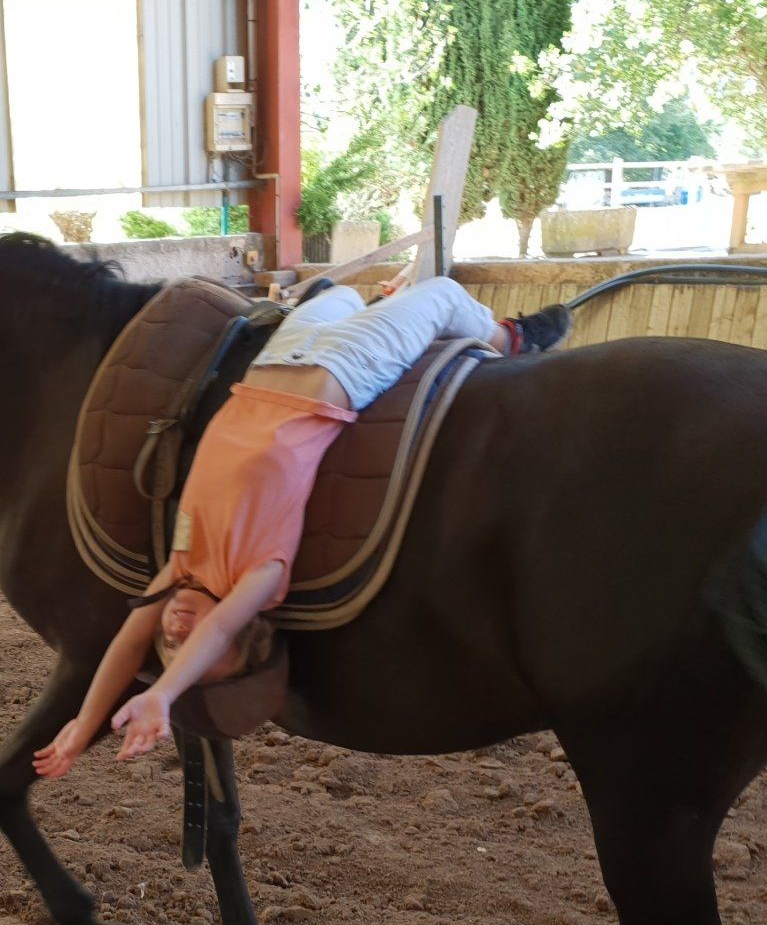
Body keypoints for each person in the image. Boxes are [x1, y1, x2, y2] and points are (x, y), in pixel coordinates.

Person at [35, 275, 571, 779]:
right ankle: (510, 337)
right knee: (445, 294)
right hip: (340, 371)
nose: (175, 634)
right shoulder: (261, 574)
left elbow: (128, 644)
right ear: (241, 633)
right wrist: (164, 695)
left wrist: (84, 725)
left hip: (272, 364)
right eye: (194, 648)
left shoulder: (181, 565)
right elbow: (216, 628)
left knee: (335, 295)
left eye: (170, 647)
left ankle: (383, 303)